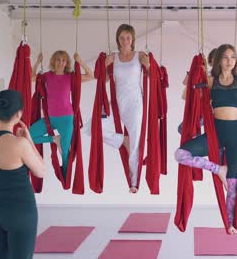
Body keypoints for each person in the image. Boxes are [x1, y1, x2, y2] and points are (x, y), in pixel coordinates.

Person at [174, 44, 237, 234]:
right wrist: (194, 73)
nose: (229, 61)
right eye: (225, 57)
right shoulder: (211, 81)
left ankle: (230, 224)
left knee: (233, 187)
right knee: (180, 154)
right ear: (219, 60)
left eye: (233, 57)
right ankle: (218, 169)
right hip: (215, 134)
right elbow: (187, 96)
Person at [0, 90, 46, 259]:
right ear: (18, 114)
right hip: (21, 214)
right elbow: (41, 171)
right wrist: (29, 139)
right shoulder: (20, 144)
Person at [85, 24, 150, 194]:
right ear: (118, 40)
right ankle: (122, 141)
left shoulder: (139, 56)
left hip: (135, 103)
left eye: (128, 37)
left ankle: (134, 182)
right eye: (122, 37)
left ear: (133, 39)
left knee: (136, 143)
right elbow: (103, 80)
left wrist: (149, 65)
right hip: (116, 103)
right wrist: (104, 65)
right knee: (93, 128)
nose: (125, 41)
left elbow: (153, 75)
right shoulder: (113, 58)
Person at [30, 50, 94, 179]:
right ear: (53, 61)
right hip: (50, 119)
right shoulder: (47, 76)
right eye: (58, 59)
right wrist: (37, 62)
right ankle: (54, 139)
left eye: (63, 60)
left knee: (65, 152)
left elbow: (91, 75)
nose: (60, 62)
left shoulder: (70, 76)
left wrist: (80, 61)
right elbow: (31, 78)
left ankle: (65, 177)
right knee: (29, 136)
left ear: (67, 63)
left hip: (66, 118)